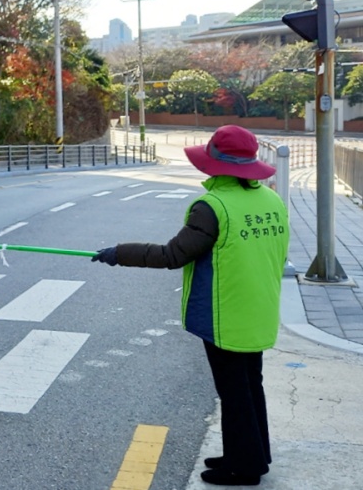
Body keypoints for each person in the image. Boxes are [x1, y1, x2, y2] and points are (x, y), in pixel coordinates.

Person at [91, 125, 289, 487]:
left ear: (217, 164)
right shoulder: (271, 200)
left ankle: (244, 468)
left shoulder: (212, 207)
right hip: (260, 308)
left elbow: (172, 255)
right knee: (250, 384)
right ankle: (252, 454)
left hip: (226, 313)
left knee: (233, 391)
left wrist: (119, 253)